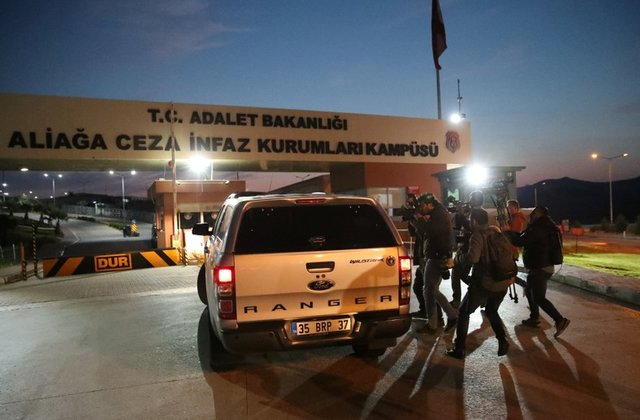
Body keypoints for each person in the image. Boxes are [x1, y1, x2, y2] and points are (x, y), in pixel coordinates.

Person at [446, 208, 511, 359]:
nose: (469, 222)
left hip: (485, 283)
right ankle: (502, 339)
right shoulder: (497, 233)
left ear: (474, 221)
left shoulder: (478, 236)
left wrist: (458, 259)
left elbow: (473, 258)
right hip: (502, 282)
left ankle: (459, 348)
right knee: (491, 311)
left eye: (470, 220)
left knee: (463, 312)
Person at [508, 206, 571, 338]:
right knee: (529, 289)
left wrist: (508, 232)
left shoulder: (539, 228)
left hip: (541, 267)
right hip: (542, 266)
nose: (531, 215)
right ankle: (534, 317)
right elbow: (523, 236)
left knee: (539, 297)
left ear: (538, 214)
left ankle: (560, 320)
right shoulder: (544, 226)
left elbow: (520, 241)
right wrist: (512, 231)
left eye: (533, 213)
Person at [414, 193, 457, 332]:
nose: (421, 209)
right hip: (438, 255)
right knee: (431, 290)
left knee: (429, 290)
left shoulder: (439, 214)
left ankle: (439, 321)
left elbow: (430, 231)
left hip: (437, 256)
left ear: (429, 204)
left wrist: (419, 220)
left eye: (422, 206)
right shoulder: (439, 212)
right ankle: (446, 317)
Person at [449, 191, 484, 308]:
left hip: (469, 248)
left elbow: (471, 227)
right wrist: (460, 214)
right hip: (467, 246)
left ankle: (457, 300)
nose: (469, 200)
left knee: (456, 274)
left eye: (471, 198)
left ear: (475, 200)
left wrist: (461, 214)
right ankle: (481, 294)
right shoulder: (474, 211)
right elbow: (459, 226)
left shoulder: (479, 213)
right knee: (462, 275)